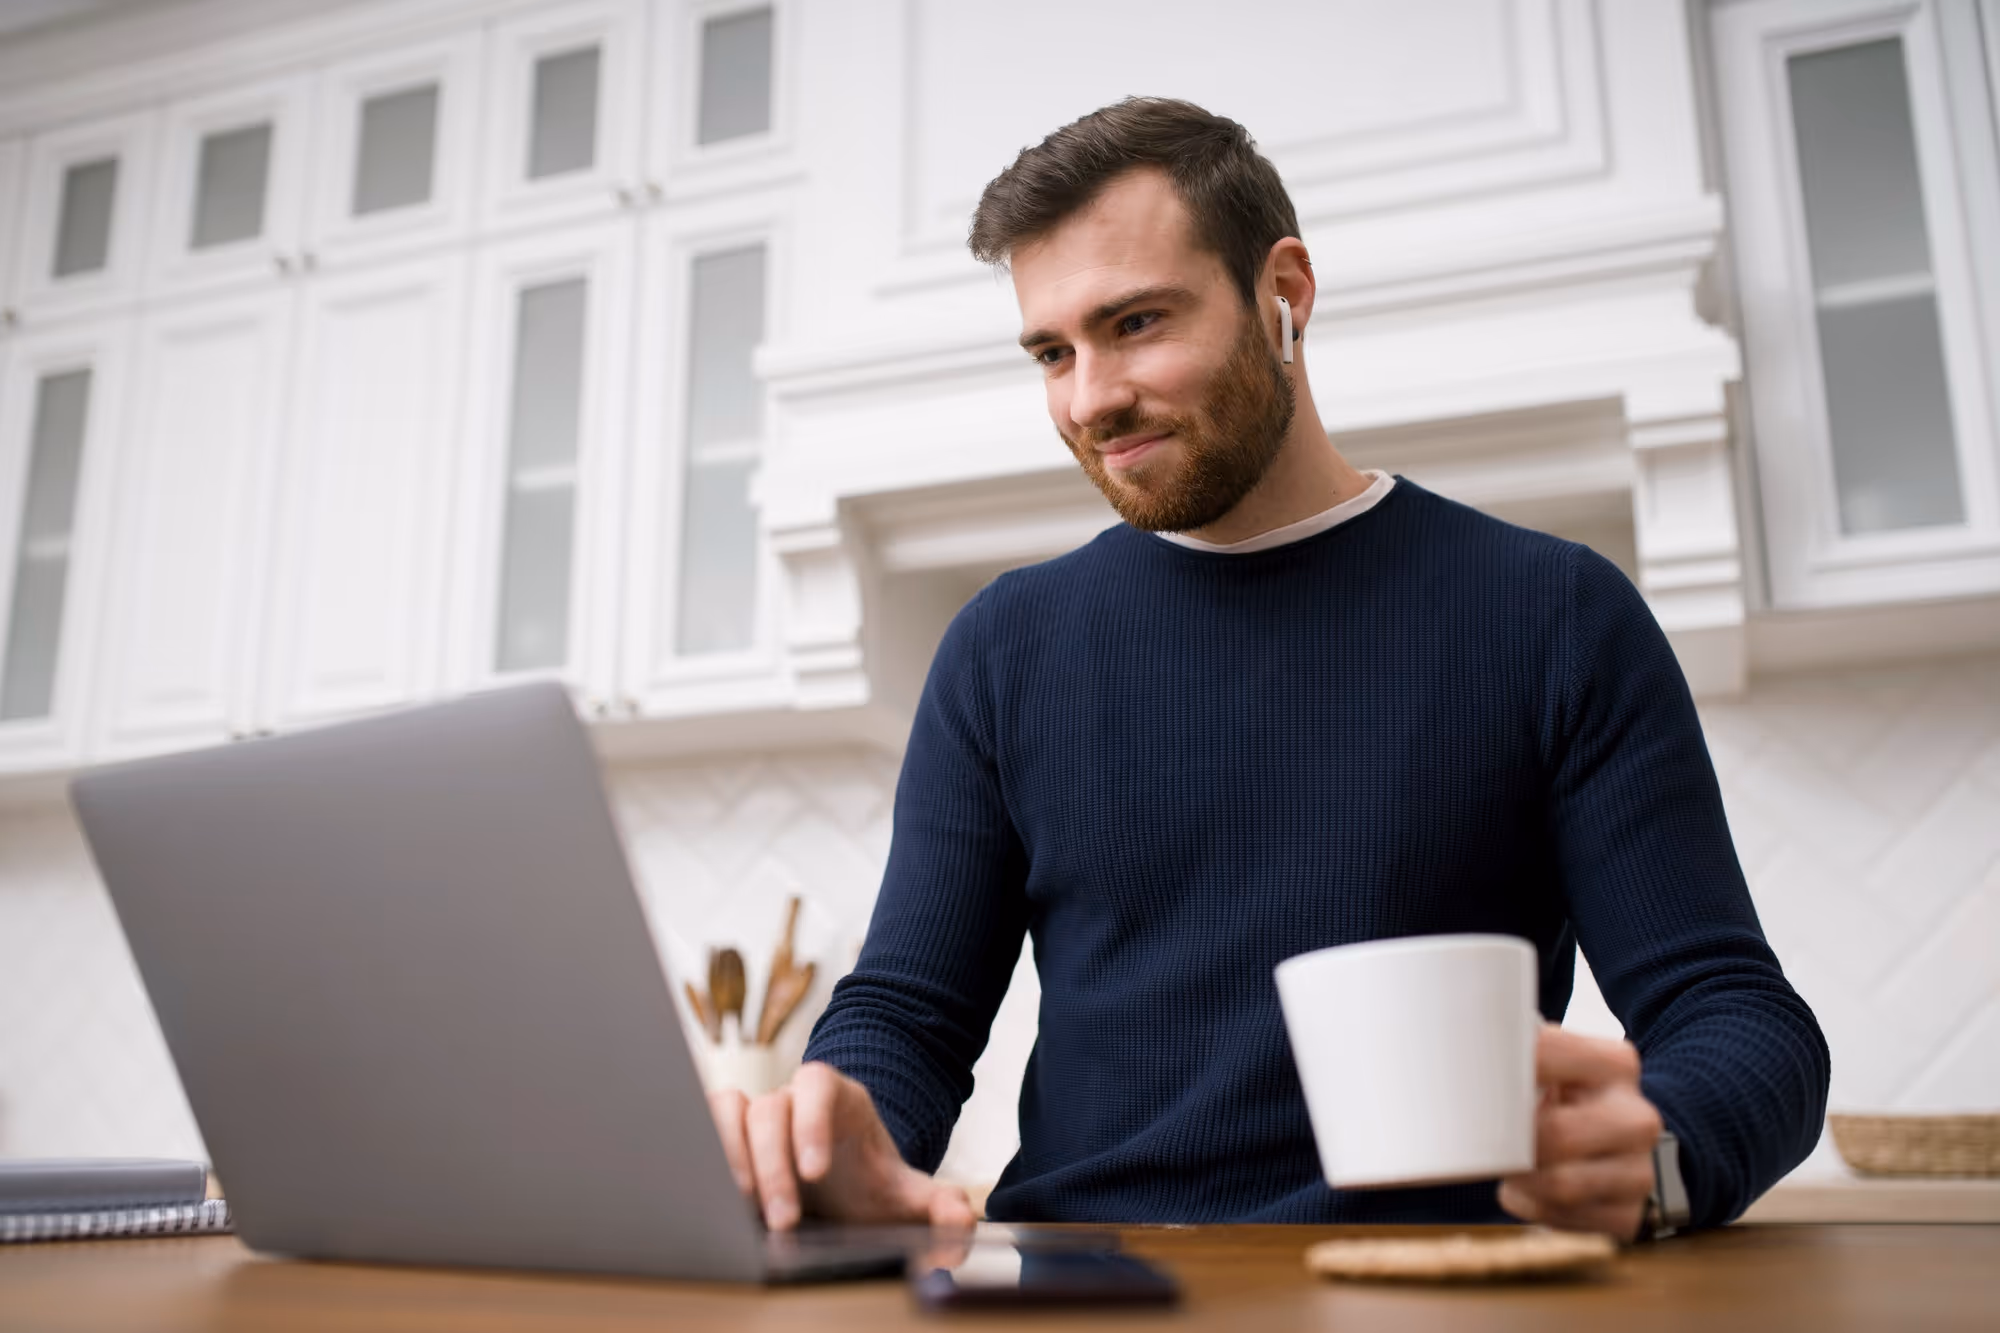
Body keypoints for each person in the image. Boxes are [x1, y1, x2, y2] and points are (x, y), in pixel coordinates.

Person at [707, 97, 1829, 1239]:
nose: (1089, 398)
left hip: (1425, 1299)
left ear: (1282, 293)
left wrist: (1663, 1155)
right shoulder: (1002, 649)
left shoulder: (1553, 616)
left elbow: (1736, 1018)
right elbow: (907, 1017)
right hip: (1082, 1292)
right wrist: (824, 1136)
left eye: (1136, 322)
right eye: (1052, 351)